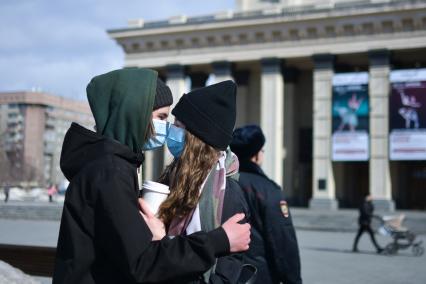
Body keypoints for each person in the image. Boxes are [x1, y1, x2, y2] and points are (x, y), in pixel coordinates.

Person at [53, 68, 251, 284]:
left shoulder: (112, 167)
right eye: (163, 118)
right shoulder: (110, 172)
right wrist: (214, 240)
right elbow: (143, 260)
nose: (167, 130)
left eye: (175, 123)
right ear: (136, 112)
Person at [157, 80, 254, 283]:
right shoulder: (173, 176)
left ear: (195, 136)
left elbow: (229, 265)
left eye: (177, 125)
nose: (171, 131)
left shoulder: (229, 191)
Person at [230, 125, 302, 284]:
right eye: (262, 150)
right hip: (260, 276)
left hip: (227, 274)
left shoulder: (222, 183)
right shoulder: (268, 190)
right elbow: (283, 241)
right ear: (256, 156)